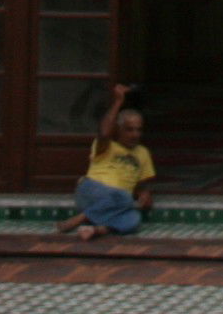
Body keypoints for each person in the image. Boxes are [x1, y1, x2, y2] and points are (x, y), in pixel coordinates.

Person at [50, 83, 154, 241]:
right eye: (130, 129)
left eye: (138, 130)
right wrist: (118, 102)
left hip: (116, 201)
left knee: (134, 219)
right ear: (118, 129)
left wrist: (144, 194)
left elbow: (141, 185)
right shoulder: (106, 145)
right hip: (91, 190)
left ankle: (97, 229)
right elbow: (104, 133)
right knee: (125, 198)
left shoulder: (143, 153)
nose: (135, 134)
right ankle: (81, 219)